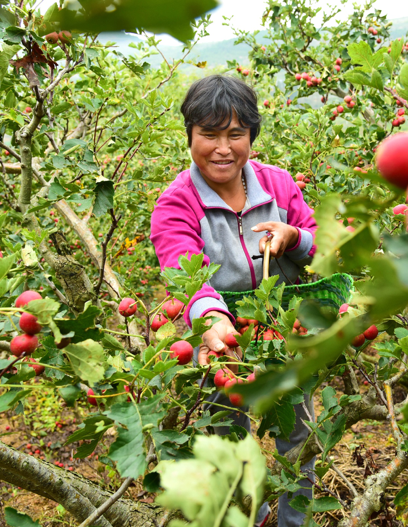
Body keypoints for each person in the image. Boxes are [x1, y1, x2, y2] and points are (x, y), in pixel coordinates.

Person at [150, 74, 317, 527]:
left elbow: (320, 242)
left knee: (298, 438)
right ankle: (254, 515)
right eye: (209, 134)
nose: (222, 148)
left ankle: (293, 521)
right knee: (227, 441)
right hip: (221, 342)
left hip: (284, 335)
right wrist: (211, 319)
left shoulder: (279, 186)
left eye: (235, 135)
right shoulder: (175, 205)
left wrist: (295, 237)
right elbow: (184, 271)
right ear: (189, 135)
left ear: (250, 137)